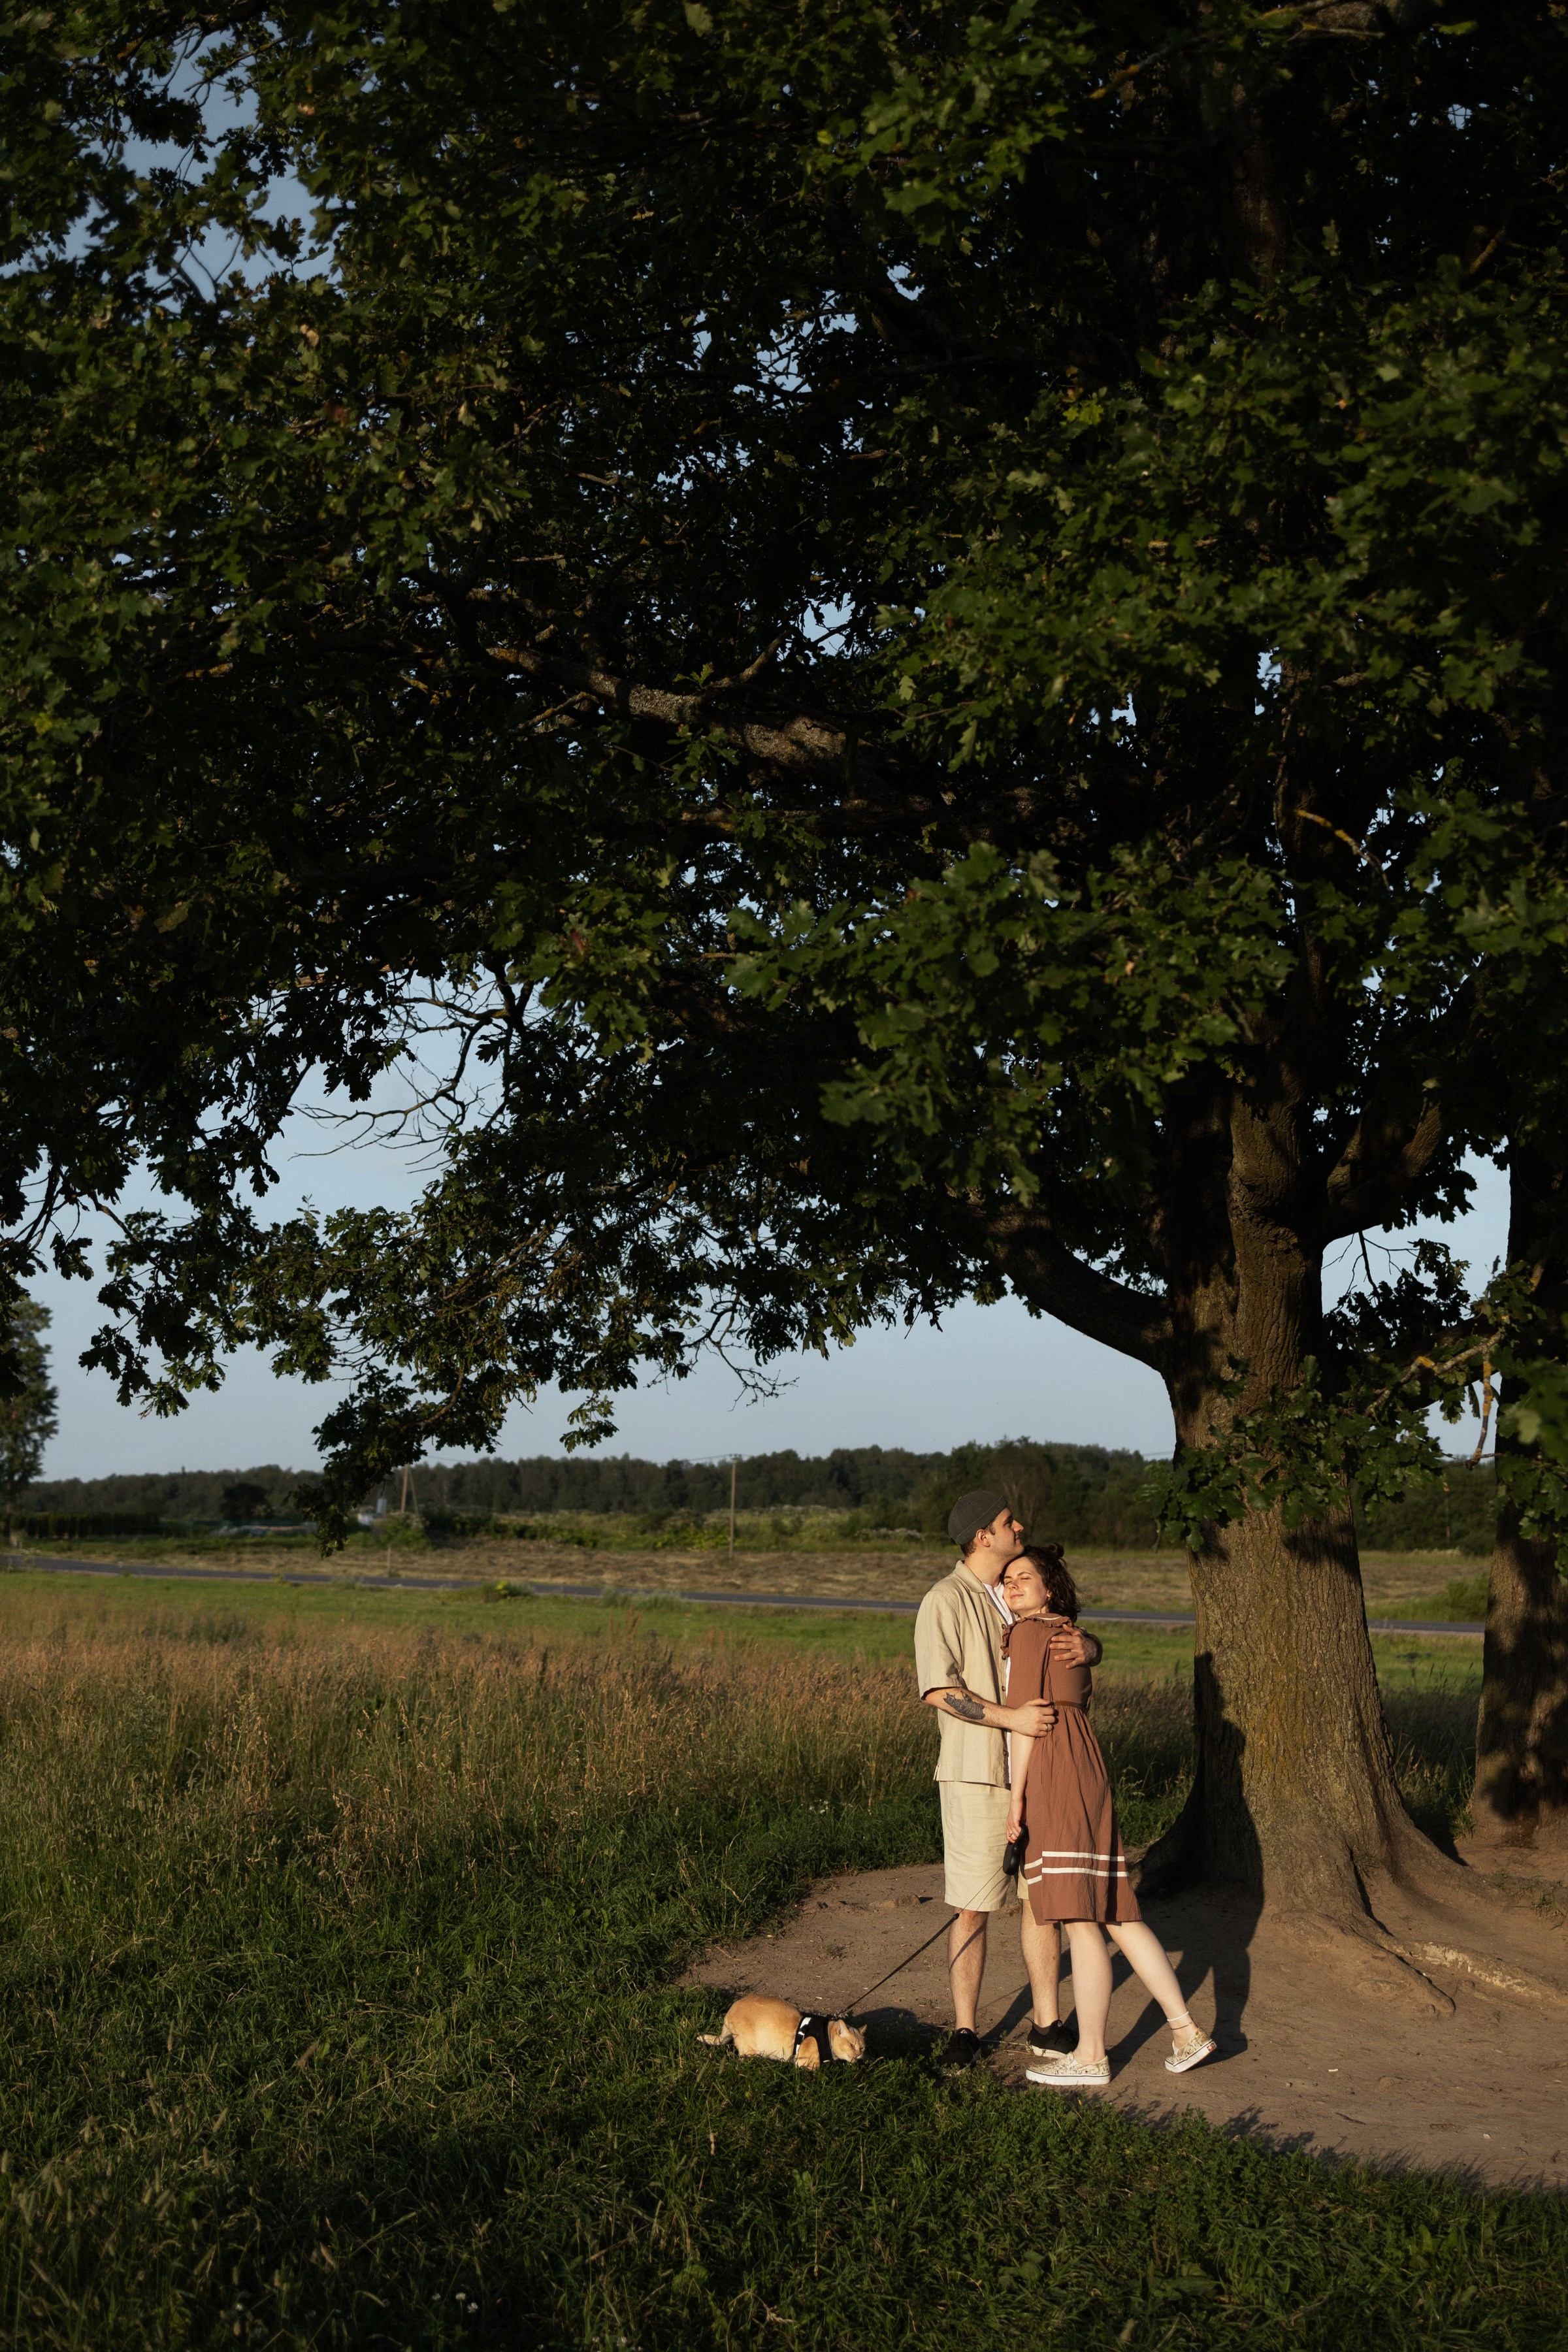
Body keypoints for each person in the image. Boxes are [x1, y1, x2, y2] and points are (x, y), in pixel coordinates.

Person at [1000, 1544, 1216, 2087]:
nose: (1012, 1585)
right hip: (1088, 1766)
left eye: (1024, 1577)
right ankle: (1186, 2031)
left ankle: (1092, 2055)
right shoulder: (1069, 1637)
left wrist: (1016, 1798)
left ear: (1051, 1588)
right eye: (1007, 1579)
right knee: (1118, 1910)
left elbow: (1028, 1722)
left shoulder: (1030, 1634)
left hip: (1054, 1768)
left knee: (1079, 1917)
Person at [913, 1490, 1103, 2069]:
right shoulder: (943, 1601)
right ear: (981, 1536)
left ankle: (1047, 2023)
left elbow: (1063, 1644)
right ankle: (966, 2031)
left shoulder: (1016, 1590)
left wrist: (1091, 1648)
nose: (1018, 1526)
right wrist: (1011, 1718)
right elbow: (938, 1691)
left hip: (1042, 1771)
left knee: (1041, 1903)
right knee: (973, 1905)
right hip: (977, 1777)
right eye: (1006, 1521)